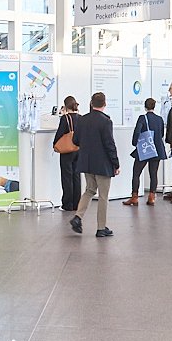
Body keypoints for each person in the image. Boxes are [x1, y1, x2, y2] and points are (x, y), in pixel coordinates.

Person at [69, 91, 119, 238]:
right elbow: (110, 145)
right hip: (102, 164)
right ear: (104, 104)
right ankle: (101, 227)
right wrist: (116, 164)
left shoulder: (82, 120)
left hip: (86, 162)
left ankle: (78, 217)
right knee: (103, 196)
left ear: (91, 103)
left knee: (89, 190)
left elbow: (75, 141)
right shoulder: (106, 121)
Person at [124, 97, 167, 206]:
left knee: (136, 173)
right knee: (153, 173)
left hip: (144, 149)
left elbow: (137, 132)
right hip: (156, 149)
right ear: (154, 106)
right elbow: (161, 134)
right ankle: (152, 197)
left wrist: (134, 143)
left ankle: (134, 197)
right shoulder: (159, 119)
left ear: (145, 107)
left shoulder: (142, 118)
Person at [53, 95, 81, 212]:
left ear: (65, 106)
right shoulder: (81, 117)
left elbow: (60, 134)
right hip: (78, 150)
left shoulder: (65, 118)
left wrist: (55, 145)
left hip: (67, 152)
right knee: (76, 176)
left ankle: (67, 204)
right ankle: (77, 204)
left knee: (66, 177)